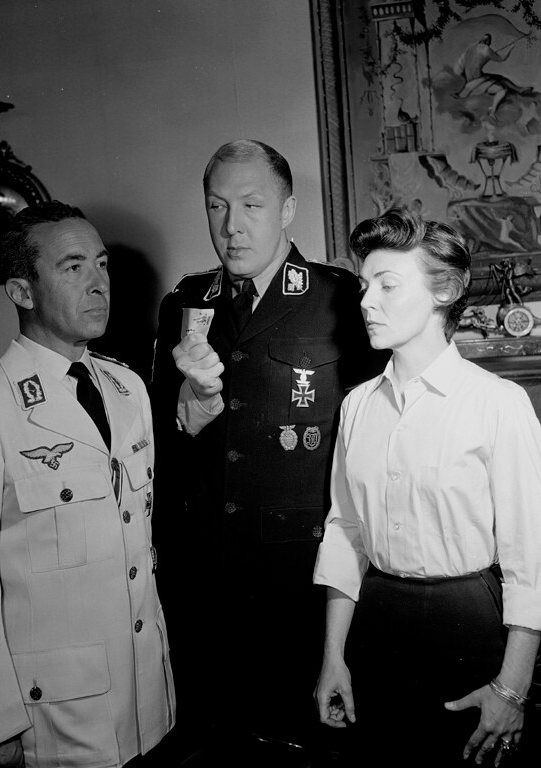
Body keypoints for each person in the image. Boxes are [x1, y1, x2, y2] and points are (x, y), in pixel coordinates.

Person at [150, 139, 387, 765]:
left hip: (302, 584)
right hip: (207, 583)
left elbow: (376, 447)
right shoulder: (185, 304)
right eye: (217, 206)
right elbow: (162, 448)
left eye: (252, 205)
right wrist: (190, 404)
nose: (232, 226)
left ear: (287, 210)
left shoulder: (340, 298)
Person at [0, 201, 175, 768]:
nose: (98, 283)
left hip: (147, 704)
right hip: (55, 718)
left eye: (102, 264)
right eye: (72, 267)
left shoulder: (128, 389)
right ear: (22, 291)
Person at [313, 207, 541, 768]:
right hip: (375, 623)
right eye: (364, 286)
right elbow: (345, 534)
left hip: (470, 627)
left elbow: (530, 560)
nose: (366, 301)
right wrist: (333, 658)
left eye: (387, 285)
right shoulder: (357, 406)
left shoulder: (499, 404)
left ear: (445, 291)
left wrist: (512, 689)